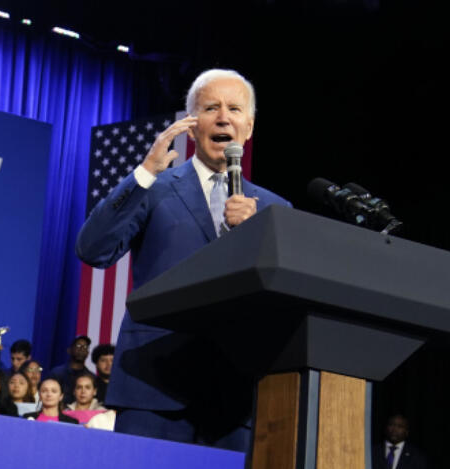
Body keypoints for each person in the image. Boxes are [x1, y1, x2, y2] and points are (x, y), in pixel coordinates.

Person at [75, 69, 290, 449]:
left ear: (249, 127)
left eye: (235, 109)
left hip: (236, 397)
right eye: (211, 108)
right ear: (191, 127)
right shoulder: (155, 188)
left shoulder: (274, 209)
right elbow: (94, 249)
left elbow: (283, 301)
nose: (224, 117)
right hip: (152, 388)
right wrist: (144, 172)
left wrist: (258, 236)